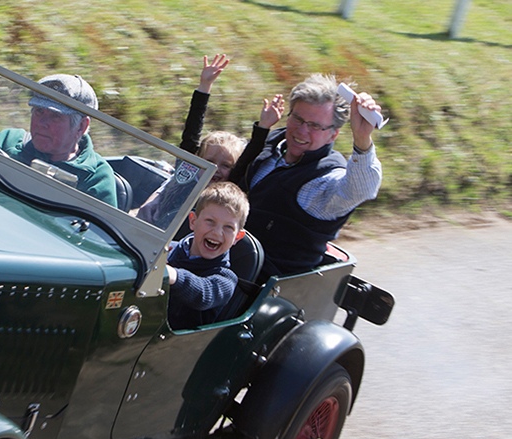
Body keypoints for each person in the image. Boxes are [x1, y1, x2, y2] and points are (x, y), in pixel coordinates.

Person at [229, 73, 384, 278]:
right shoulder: (271, 143)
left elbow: (361, 190)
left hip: (262, 283)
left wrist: (362, 140)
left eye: (314, 126)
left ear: (333, 134)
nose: (301, 131)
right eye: (298, 119)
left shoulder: (324, 179)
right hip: (218, 253)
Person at [136, 54, 284, 231]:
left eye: (225, 165)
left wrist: (263, 127)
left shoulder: (225, 192)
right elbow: (191, 133)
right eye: (209, 162)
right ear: (198, 159)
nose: (215, 169)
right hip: (148, 234)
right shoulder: (187, 172)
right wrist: (205, 86)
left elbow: (248, 158)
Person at [0, 74, 118, 207]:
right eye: (39, 111)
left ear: (81, 126)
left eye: (55, 116)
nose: (42, 123)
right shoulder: (6, 141)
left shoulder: (96, 177)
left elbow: (98, 226)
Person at [165, 181, 250, 330]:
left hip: (178, 345)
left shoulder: (225, 279)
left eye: (228, 227)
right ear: (193, 221)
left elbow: (204, 294)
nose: (217, 232)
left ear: (237, 237)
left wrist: (172, 275)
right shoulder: (171, 250)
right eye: (210, 221)